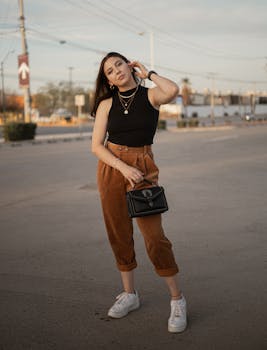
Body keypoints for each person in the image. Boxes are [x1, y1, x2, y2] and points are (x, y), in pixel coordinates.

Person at [91, 52, 187, 333]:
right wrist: (122, 167)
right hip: (112, 167)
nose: (116, 71)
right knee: (118, 232)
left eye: (119, 64)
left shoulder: (150, 96)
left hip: (143, 168)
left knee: (154, 237)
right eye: (109, 70)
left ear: (130, 65)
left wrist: (149, 74)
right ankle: (130, 294)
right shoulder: (106, 104)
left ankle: (177, 299)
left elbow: (173, 90)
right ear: (107, 79)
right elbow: (97, 145)